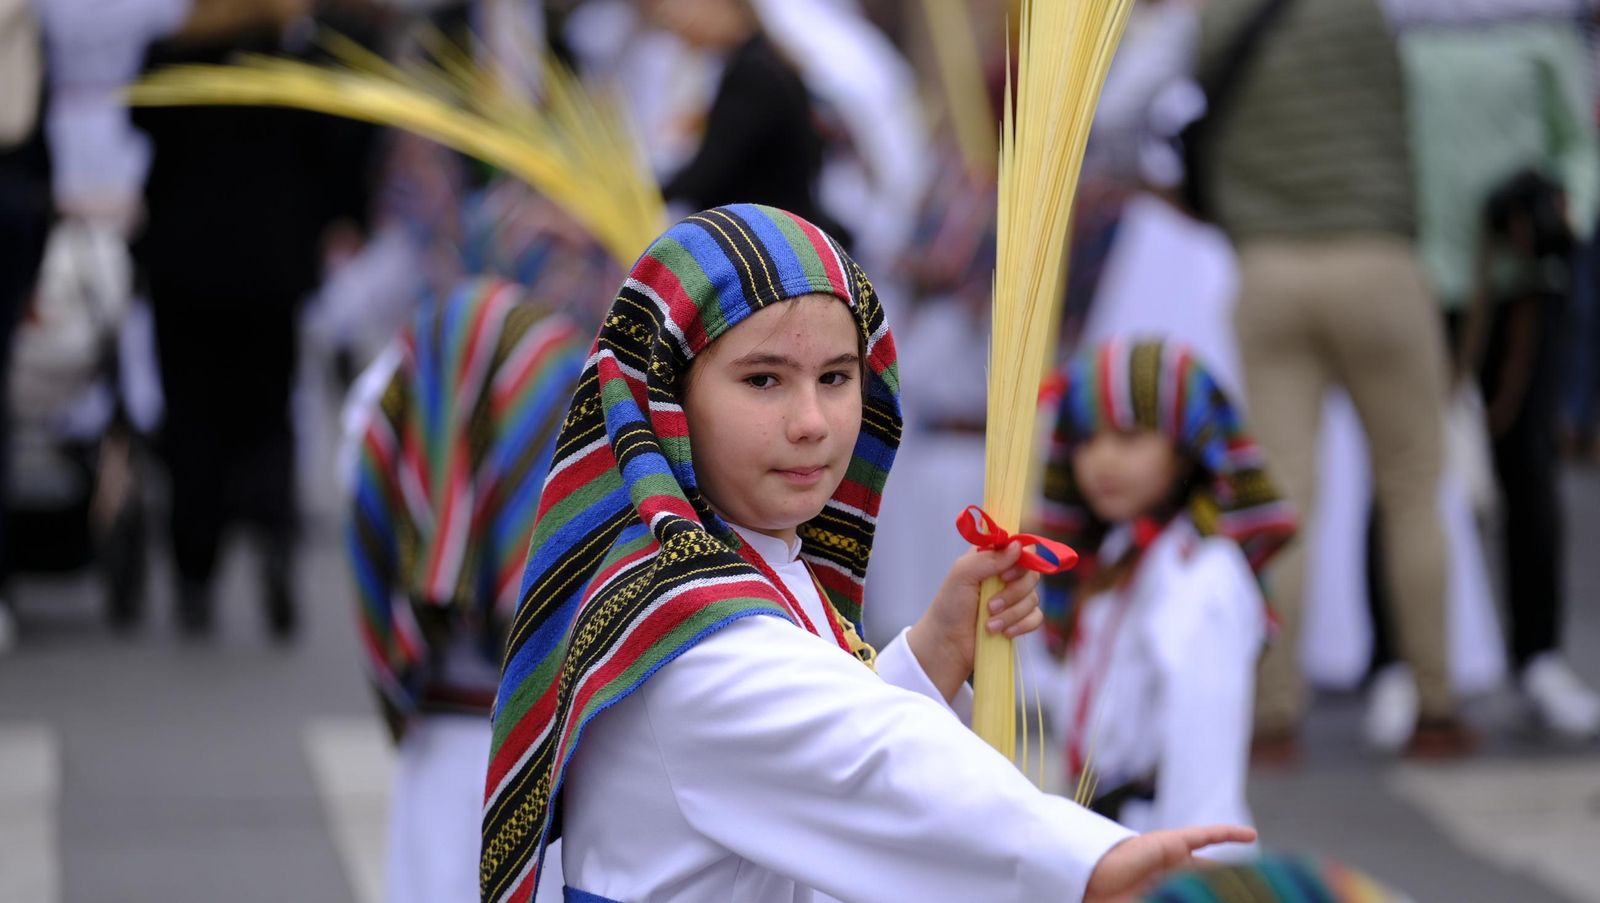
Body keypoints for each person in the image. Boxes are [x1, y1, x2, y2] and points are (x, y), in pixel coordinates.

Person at [481, 203, 1255, 903]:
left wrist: (929, 653)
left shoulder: (730, 566)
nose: (812, 420)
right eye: (763, 380)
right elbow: (871, 760)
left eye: (836, 377)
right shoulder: (688, 626)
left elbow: (806, 745)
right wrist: (1088, 862)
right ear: (667, 395)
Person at [1193, 0, 1469, 758]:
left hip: (1267, 267)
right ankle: (1437, 705)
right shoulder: (1375, 10)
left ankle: (1274, 715)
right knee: (1414, 484)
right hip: (1378, 259)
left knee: (1285, 497)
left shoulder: (1215, 19)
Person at [341, 196, 599, 902]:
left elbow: (364, 519)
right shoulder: (587, 388)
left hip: (437, 740)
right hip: (545, 757)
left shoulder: (400, 373)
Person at [1035, 339, 1295, 861]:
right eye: (1086, 440)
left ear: (1185, 446)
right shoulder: (1117, 554)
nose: (1102, 460)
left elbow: (1204, 779)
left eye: (1129, 437)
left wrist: (1186, 884)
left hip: (1166, 854)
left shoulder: (1203, 576)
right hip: (1110, 843)